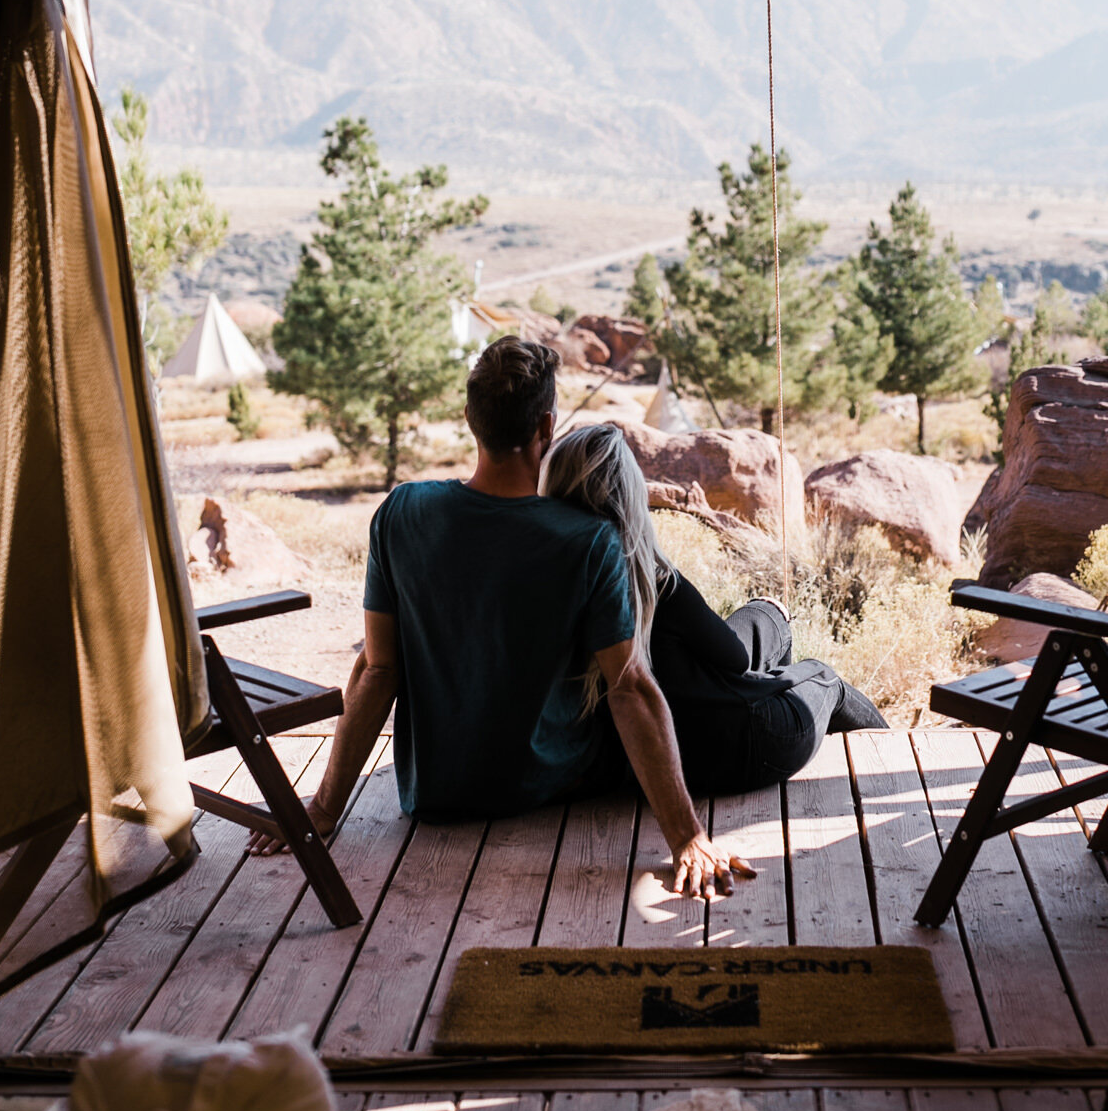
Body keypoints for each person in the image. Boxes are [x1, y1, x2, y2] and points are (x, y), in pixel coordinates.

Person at [247, 336, 753, 897]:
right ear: (546, 428)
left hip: (434, 796)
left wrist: (321, 809)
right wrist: (687, 838)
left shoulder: (401, 514)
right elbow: (629, 689)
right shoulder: (588, 541)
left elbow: (376, 670)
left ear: (470, 420)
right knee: (668, 664)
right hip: (550, 784)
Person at [540, 421, 888, 796]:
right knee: (824, 678)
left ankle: (770, 616)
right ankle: (895, 766)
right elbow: (735, 660)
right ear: (630, 498)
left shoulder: (550, 588)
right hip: (745, 750)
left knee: (766, 615)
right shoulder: (658, 586)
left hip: (646, 761)